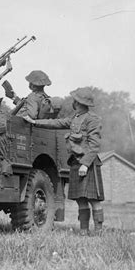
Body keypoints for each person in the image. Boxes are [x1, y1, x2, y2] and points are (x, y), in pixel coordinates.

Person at [24, 87, 104, 235]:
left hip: (87, 163)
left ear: (79, 103)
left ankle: (99, 232)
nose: (73, 102)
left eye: (75, 100)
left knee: (93, 199)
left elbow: (95, 145)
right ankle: (84, 231)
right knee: (80, 199)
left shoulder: (92, 119)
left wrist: (85, 164)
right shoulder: (75, 118)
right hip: (75, 161)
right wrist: (34, 122)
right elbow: (57, 123)